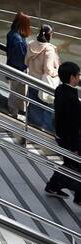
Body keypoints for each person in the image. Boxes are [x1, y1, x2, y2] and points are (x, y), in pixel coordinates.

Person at [45, 62, 81, 204]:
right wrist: (75, 147)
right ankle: (77, 197)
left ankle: (54, 186)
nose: (79, 77)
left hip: (62, 135)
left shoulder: (61, 90)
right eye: (78, 75)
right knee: (74, 165)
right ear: (72, 77)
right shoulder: (71, 97)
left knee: (70, 164)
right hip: (70, 138)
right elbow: (73, 124)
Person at [26, 25, 60, 129]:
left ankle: (31, 126)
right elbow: (48, 69)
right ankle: (45, 130)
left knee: (33, 104)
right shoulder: (49, 50)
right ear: (49, 35)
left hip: (31, 79)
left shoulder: (31, 44)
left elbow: (25, 61)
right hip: (43, 83)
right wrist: (57, 72)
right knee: (46, 107)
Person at [6, 11, 31, 117]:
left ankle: (15, 111)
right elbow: (20, 59)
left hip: (11, 66)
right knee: (16, 92)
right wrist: (25, 67)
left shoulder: (12, 33)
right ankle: (14, 113)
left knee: (14, 91)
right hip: (18, 70)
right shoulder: (19, 40)